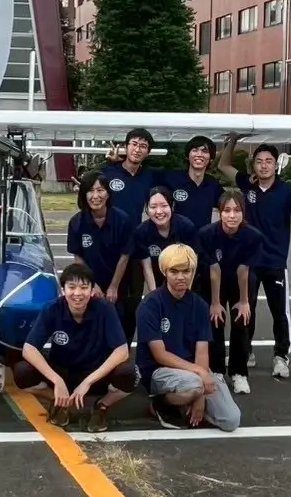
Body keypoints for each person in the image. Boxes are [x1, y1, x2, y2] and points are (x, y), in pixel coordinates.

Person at [219, 137, 291, 379]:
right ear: (254, 166)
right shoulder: (246, 186)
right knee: (244, 310)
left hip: (275, 263)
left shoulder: (286, 192)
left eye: (268, 161)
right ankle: (245, 352)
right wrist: (233, 140)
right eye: (259, 161)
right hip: (248, 262)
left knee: (280, 312)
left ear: (275, 165)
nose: (263, 166)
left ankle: (281, 357)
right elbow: (223, 166)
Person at [14, 262, 135, 431]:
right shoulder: (52, 309)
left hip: (94, 373)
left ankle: (101, 406)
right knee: (22, 372)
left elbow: (122, 351)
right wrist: (56, 380)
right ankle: (61, 402)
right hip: (62, 371)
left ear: (92, 290)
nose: (77, 294)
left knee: (129, 373)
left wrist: (87, 382)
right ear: (63, 290)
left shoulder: (104, 308)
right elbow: (29, 348)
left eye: (84, 288)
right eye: (71, 287)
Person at [135, 244, 241, 432]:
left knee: (231, 420)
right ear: (164, 272)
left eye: (186, 271)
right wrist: (200, 385)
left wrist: (201, 384)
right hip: (160, 370)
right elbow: (160, 355)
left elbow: (202, 353)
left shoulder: (199, 305)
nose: (181, 277)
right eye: (174, 271)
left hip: (193, 371)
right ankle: (160, 404)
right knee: (193, 385)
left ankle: (188, 404)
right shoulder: (150, 304)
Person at [200, 189, 265, 395]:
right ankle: (217, 370)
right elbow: (214, 270)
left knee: (242, 323)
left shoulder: (252, 236)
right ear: (219, 212)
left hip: (242, 283)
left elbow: (243, 271)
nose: (231, 215)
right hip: (214, 281)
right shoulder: (207, 234)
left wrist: (244, 301)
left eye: (237, 210)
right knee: (215, 322)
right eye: (226, 210)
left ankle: (239, 373)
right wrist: (215, 302)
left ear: (243, 213)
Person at [66, 171, 135, 339]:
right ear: (84, 194)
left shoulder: (122, 220)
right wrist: (92, 285)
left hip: (118, 284)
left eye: (100, 190)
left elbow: (125, 255)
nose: (95, 196)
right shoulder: (76, 223)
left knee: (118, 326)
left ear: (108, 193)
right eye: (90, 190)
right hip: (90, 284)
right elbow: (78, 257)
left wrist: (113, 287)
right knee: (90, 327)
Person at [133, 185, 200, 292]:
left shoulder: (186, 227)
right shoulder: (141, 232)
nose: (159, 211)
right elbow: (147, 268)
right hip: (158, 282)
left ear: (172, 206)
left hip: (185, 281)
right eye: (153, 207)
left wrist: (185, 292)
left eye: (164, 206)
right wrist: (154, 294)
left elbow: (193, 263)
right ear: (146, 209)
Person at [160, 135, 224, 229]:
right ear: (187, 155)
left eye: (204, 151)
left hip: (202, 240)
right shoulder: (172, 178)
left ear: (211, 158)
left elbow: (228, 204)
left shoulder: (213, 184)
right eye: (195, 150)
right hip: (177, 239)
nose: (199, 154)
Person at [98, 128, 160, 222]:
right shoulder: (108, 171)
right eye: (134, 144)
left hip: (134, 232)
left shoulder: (149, 175)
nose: (137, 149)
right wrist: (109, 162)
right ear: (126, 147)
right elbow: (89, 179)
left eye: (143, 146)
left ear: (148, 152)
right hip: (109, 231)